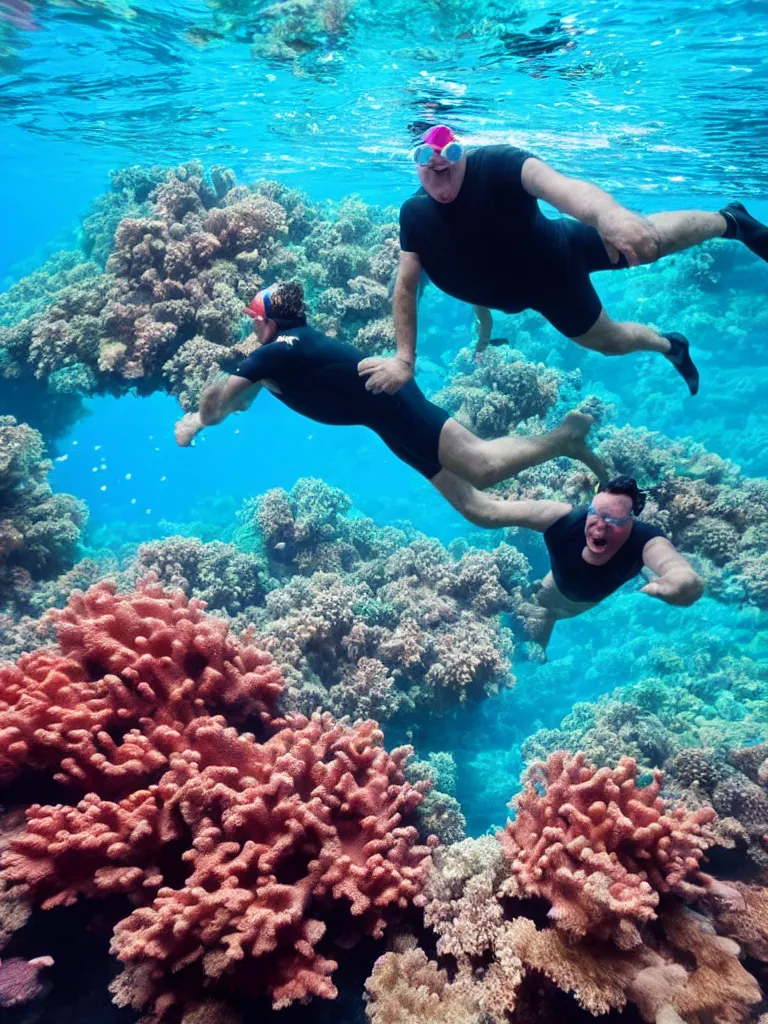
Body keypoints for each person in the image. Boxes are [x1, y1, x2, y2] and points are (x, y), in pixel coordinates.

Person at [358, 124, 768, 398]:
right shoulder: (414, 215)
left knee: (647, 243)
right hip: (541, 294)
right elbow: (408, 285)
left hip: (559, 255)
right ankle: (671, 345)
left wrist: (609, 215)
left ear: (464, 150)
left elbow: (563, 188)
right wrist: (404, 359)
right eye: (425, 159)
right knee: (611, 343)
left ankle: (732, 221)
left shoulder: (499, 164)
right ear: (414, 164)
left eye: (450, 152)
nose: (438, 165)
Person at [174, 280, 608, 528]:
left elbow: (218, 407)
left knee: (482, 467)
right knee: (478, 509)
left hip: (394, 406)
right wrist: (223, 401)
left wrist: (196, 419)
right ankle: (566, 519)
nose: (251, 331)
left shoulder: (275, 351)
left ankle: (565, 436)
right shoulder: (285, 351)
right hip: (384, 419)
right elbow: (243, 399)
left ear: (267, 322)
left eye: (253, 323)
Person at [514, 475, 703, 652]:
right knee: (528, 647)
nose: (601, 527)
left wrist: (683, 580)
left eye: (614, 519)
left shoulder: (643, 540)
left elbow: (671, 562)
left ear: (630, 516)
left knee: (533, 650)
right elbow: (496, 511)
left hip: (573, 610)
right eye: (597, 513)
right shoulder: (571, 520)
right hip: (543, 601)